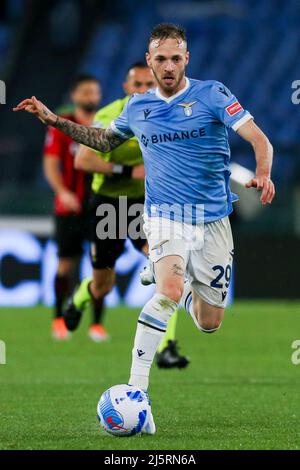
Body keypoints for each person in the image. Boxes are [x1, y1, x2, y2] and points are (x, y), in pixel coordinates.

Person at [13, 23, 275, 434]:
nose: (168, 66)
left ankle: (174, 276)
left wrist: (263, 174)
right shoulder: (137, 107)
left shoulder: (213, 94)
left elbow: (260, 139)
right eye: (160, 59)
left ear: (186, 59)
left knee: (209, 322)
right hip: (164, 214)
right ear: (149, 62)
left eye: (175, 58)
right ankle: (138, 393)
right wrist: (52, 119)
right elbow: (100, 141)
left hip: (213, 218)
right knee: (167, 292)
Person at [67, 62, 189, 367]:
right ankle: (80, 298)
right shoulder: (110, 116)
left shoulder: (168, 116)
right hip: (108, 205)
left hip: (146, 206)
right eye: (138, 85)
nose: (145, 91)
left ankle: (167, 348)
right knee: (102, 285)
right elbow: (82, 160)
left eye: (150, 84)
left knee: (168, 269)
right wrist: (129, 170)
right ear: (126, 89)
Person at [43, 74, 102, 341]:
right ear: (75, 95)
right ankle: (58, 319)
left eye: (94, 92)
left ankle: (97, 325)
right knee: (65, 265)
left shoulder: (108, 122)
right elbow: (51, 162)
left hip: (101, 207)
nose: (91, 97)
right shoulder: (62, 125)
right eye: (86, 92)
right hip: (69, 207)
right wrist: (62, 192)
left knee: (101, 265)